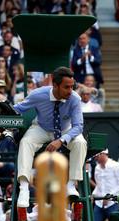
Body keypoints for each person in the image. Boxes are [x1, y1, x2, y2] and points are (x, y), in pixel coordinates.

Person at [14, 67, 87, 206]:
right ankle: (24, 188)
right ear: (55, 85)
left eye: (72, 86)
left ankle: (71, 185)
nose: (70, 90)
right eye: (66, 87)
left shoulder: (75, 98)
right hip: (41, 128)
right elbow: (18, 108)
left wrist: (61, 140)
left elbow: (78, 126)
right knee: (25, 142)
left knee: (80, 143)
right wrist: (0, 108)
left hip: (66, 130)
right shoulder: (38, 94)